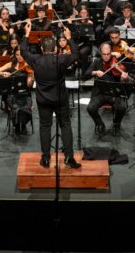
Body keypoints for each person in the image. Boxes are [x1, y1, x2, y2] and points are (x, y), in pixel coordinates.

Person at [18, 34, 83, 169]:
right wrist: (70, 38)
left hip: (43, 100)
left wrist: (26, 35)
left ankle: (46, 159)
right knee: (65, 125)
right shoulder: (62, 59)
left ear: (42, 48)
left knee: (45, 127)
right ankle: (69, 158)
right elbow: (76, 54)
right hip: (60, 99)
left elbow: (23, 51)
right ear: (55, 48)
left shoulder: (36, 59)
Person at [85, 37, 130, 135]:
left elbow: (124, 80)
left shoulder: (116, 62)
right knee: (90, 108)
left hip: (114, 93)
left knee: (122, 108)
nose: (106, 56)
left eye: (108, 54)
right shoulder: (97, 62)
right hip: (99, 93)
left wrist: (123, 78)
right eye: (104, 54)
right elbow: (85, 75)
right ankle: (99, 123)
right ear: (101, 53)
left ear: (111, 52)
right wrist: (95, 72)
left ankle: (116, 123)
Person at [0, 48, 34, 134]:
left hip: (25, 94)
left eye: (21, 55)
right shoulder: (10, 64)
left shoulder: (28, 65)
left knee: (25, 107)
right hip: (12, 94)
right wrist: (3, 73)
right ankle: (17, 125)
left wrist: (31, 78)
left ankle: (23, 124)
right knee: (16, 107)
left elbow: (29, 85)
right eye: (17, 55)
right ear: (14, 55)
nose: (20, 57)